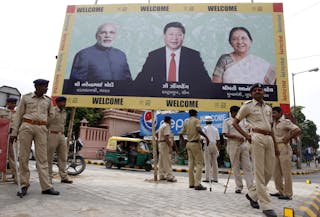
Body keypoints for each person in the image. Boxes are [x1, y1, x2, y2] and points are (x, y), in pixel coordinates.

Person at [233, 83, 278, 217]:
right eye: (255, 90)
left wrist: (275, 144)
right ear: (252, 93)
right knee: (259, 172)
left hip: (269, 138)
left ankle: (252, 194)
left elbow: (271, 126)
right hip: (256, 137)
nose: (258, 92)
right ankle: (266, 205)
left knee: (269, 171)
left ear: (263, 92)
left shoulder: (268, 108)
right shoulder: (247, 106)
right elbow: (235, 122)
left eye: (260, 90)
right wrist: (247, 136)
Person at [134, 22, 212, 97]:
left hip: (185, 97)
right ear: (164, 36)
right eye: (171, 34)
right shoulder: (154, 55)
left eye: (179, 35)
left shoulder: (193, 56)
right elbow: (141, 80)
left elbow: (205, 82)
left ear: (183, 37)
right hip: (160, 97)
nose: (174, 38)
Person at [11, 79, 60, 196]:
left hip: (41, 129)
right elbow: (18, 115)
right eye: (44, 86)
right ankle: (24, 185)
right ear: (37, 87)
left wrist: (44, 123)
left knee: (42, 158)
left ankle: (46, 187)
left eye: (47, 87)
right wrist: (14, 132)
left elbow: (52, 115)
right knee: (23, 157)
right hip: (26, 126)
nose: (46, 89)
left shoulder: (48, 101)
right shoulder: (26, 98)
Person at [212, 27, 276, 85]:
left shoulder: (259, 62)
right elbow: (216, 87)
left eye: (243, 38)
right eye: (234, 39)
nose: (239, 42)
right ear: (230, 43)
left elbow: (273, 87)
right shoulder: (225, 59)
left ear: (250, 41)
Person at [270, 107, 300, 200]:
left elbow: (297, 130)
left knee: (286, 172)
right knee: (276, 172)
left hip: (284, 148)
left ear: (280, 113)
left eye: (274, 113)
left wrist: (289, 138)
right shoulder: (273, 123)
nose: (273, 115)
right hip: (275, 148)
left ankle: (288, 194)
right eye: (272, 113)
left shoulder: (285, 122)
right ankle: (280, 191)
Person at [223, 106, 254, 194]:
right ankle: (238, 187)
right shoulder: (227, 121)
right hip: (233, 144)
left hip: (243, 144)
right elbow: (225, 134)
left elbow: (250, 128)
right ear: (232, 113)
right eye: (236, 112)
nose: (238, 114)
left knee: (247, 166)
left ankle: (251, 186)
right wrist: (236, 136)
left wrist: (248, 135)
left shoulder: (243, 120)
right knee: (235, 166)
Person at [179, 109, 210, 190]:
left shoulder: (186, 122)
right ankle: (197, 184)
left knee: (191, 164)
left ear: (189, 114)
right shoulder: (196, 120)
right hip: (195, 144)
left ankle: (191, 183)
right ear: (196, 114)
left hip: (188, 143)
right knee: (199, 164)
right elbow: (199, 129)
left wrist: (183, 142)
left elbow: (180, 133)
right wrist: (206, 137)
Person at [47, 96, 72, 184]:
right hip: (52, 134)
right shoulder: (52, 110)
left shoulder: (65, 112)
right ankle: (48, 178)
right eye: (62, 102)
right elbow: (47, 122)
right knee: (49, 157)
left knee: (63, 157)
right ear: (57, 103)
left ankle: (64, 177)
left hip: (61, 135)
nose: (64, 104)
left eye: (65, 102)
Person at [0, 97, 18, 183]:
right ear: (8, 103)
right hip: (2, 137)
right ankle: (3, 176)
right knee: (2, 156)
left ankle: (15, 176)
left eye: (15, 103)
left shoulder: (17, 113)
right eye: (12, 103)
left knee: (12, 157)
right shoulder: (2, 111)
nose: (14, 105)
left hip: (12, 137)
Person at [156, 116, 177, 182]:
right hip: (165, 144)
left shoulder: (162, 126)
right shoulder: (167, 126)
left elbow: (156, 134)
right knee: (167, 160)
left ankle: (161, 175)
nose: (171, 122)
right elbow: (166, 137)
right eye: (171, 121)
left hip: (161, 144)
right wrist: (170, 146)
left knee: (161, 161)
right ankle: (169, 176)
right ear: (168, 120)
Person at [202, 116, 220, 183]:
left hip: (207, 145)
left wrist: (202, 147)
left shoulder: (204, 129)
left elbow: (202, 138)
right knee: (215, 162)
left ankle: (208, 178)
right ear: (211, 121)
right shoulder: (215, 129)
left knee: (207, 162)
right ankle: (215, 178)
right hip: (214, 145)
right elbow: (218, 140)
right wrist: (218, 149)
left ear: (206, 121)